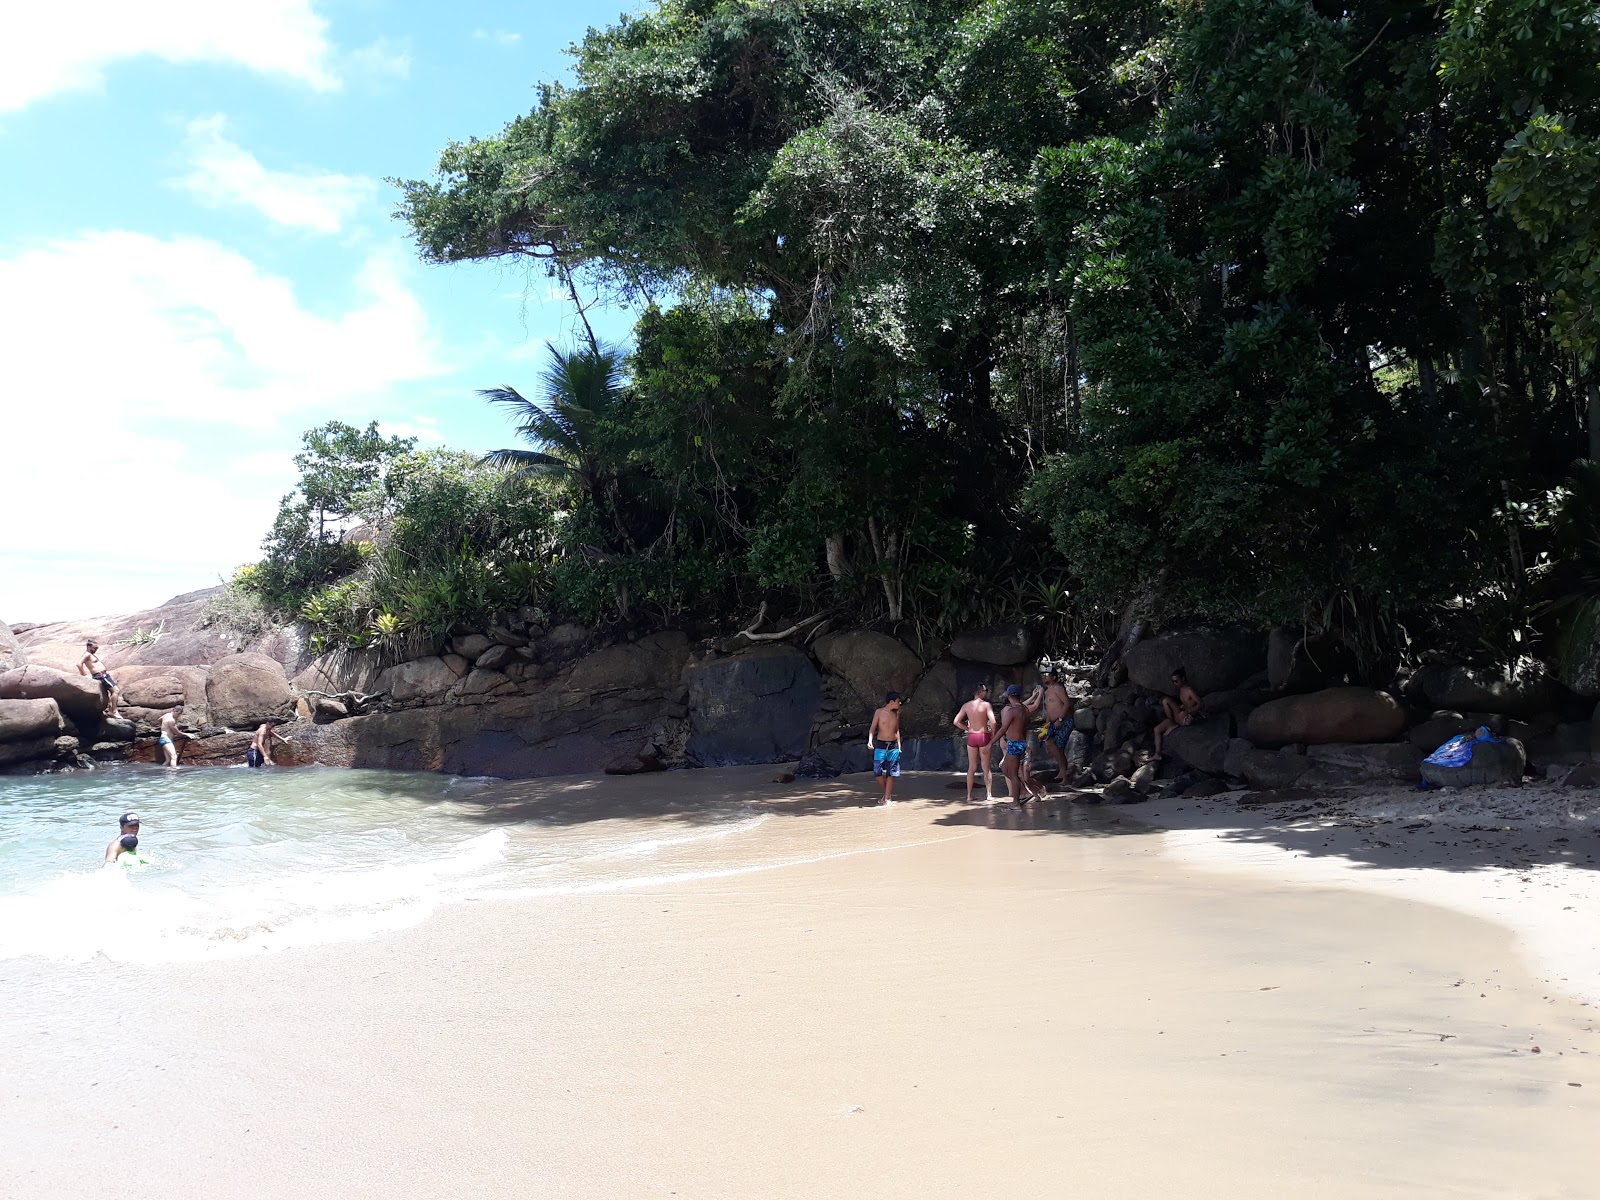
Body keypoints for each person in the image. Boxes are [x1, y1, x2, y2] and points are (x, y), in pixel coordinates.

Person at [997, 683, 1047, 804]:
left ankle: (1033, 792)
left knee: (1023, 776)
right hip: (1014, 747)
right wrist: (1036, 695)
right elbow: (1025, 705)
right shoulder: (1010, 710)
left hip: (1018, 747)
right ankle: (1028, 793)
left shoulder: (1012, 710)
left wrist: (1037, 695)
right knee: (1014, 772)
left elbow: (1028, 706)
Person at [952, 683, 998, 803]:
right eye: (985, 690)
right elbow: (993, 722)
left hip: (972, 736)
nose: (986, 692)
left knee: (971, 767)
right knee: (985, 767)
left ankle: (968, 796)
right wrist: (992, 733)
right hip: (983, 736)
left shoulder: (966, 705)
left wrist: (968, 729)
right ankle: (988, 795)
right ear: (980, 692)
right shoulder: (986, 705)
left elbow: (956, 721)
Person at [1152, 667, 1204, 761]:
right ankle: (1157, 754)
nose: (1175, 684)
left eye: (1176, 681)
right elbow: (1187, 703)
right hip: (1181, 715)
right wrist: (1182, 708)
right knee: (1156, 729)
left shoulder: (1189, 690)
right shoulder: (1181, 689)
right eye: (1173, 682)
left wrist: (1188, 712)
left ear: (1183, 679)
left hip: (1186, 718)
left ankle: (1172, 724)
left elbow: (1201, 704)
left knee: (1166, 701)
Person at [1040, 667, 1076, 786]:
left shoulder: (1058, 688)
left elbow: (1066, 703)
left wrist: (1060, 719)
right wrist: (1045, 727)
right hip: (1053, 722)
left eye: (1047, 674)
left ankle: (1064, 773)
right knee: (1048, 743)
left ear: (1054, 677)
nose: (1044, 676)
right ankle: (1062, 771)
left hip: (1064, 720)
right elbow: (1048, 711)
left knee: (1058, 746)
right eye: (1043, 674)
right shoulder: (1046, 691)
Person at [867, 691, 904, 805]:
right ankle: (886, 794)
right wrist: (870, 741)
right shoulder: (879, 712)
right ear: (891, 702)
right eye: (898, 701)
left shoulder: (896, 714)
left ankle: (887, 799)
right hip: (881, 744)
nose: (900, 703)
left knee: (891, 772)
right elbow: (872, 728)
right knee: (877, 771)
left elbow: (896, 730)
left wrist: (899, 745)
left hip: (893, 745)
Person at [77, 639, 120, 720]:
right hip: (101, 675)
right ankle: (113, 711)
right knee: (116, 691)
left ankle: (112, 710)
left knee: (114, 691)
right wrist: (84, 674)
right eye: (94, 648)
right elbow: (79, 664)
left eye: (97, 648)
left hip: (103, 674)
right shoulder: (87, 655)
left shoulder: (90, 654)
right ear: (89, 646)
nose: (96, 649)